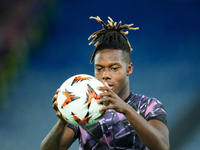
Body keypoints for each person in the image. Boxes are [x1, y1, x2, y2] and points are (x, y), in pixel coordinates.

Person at [40, 16, 170, 150]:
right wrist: (63, 121)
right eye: (99, 69)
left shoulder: (148, 105)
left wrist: (125, 109)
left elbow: (163, 146)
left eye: (114, 68)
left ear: (129, 69)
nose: (105, 75)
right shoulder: (83, 109)